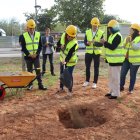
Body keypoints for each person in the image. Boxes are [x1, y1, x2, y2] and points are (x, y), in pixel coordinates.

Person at [100, 20, 126, 99]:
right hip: (111, 61)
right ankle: (111, 91)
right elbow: (109, 46)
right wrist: (104, 43)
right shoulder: (112, 36)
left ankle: (116, 93)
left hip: (116, 61)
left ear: (114, 28)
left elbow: (112, 47)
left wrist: (105, 42)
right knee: (111, 77)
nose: (109, 30)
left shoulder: (118, 36)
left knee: (115, 78)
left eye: (110, 28)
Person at [20, 19, 47, 90]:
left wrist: (37, 54)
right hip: (28, 57)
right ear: (27, 28)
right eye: (30, 28)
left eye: (33, 28)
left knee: (38, 70)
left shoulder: (38, 34)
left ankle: (40, 85)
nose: (32, 30)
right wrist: (29, 54)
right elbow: (23, 48)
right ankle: (30, 85)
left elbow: (40, 46)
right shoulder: (23, 36)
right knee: (29, 71)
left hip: (36, 57)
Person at [82, 17, 104, 89]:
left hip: (96, 53)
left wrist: (95, 43)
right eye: (94, 25)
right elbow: (85, 42)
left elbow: (102, 44)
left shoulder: (101, 33)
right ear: (91, 24)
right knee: (87, 67)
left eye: (96, 25)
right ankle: (87, 81)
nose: (95, 26)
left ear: (98, 25)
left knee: (96, 68)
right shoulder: (87, 32)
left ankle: (94, 82)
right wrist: (87, 43)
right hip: (88, 52)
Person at [58, 25, 79, 97]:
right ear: (66, 33)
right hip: (62, 59)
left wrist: (66, 61)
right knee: (62, 74)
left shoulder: (75, 44)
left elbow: (70, 54)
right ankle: (61, 87)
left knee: (69, 75)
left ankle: (70, 90)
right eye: (69, 36)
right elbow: (58, 45)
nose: (70, 38)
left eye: (72, 37)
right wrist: (60, 45)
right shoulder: (63, 36)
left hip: (71, 62)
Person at [120, 23, 140, 94]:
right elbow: (123, 46)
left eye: (131, 29)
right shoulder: (127, 37)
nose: (129, 30)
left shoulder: (139, 38)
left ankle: (130, 89)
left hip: (135, 61)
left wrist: (130, 42)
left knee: (132, 75)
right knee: (122, 74)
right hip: (126, 59)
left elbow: (136, 48)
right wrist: (125, 43)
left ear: (135, 30)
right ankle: (121, 86)